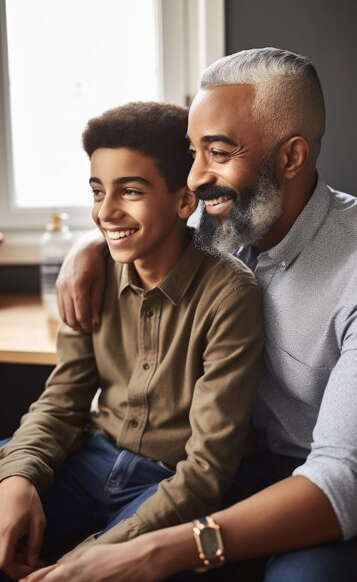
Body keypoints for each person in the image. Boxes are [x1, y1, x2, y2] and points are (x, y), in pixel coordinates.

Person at [21, 47, 357, 582]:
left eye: (219, 152)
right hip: (233, 463)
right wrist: (89, 248)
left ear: (291, 158)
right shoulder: (224, 214)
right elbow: (142, 215)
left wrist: (156, 552)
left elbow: (344, 477)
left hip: (348, 490)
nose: (195, 177)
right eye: (192, 152)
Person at [0, 102, 264, 581]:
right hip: (93, 455)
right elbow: (62, 401)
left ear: (185, 201)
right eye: (98, 191)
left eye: (131, 191)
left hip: (172, 482)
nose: (105, 211)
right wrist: (18, 476)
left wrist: (96, 554)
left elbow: (206, 470)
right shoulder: (91, 273)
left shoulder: (230, 294)